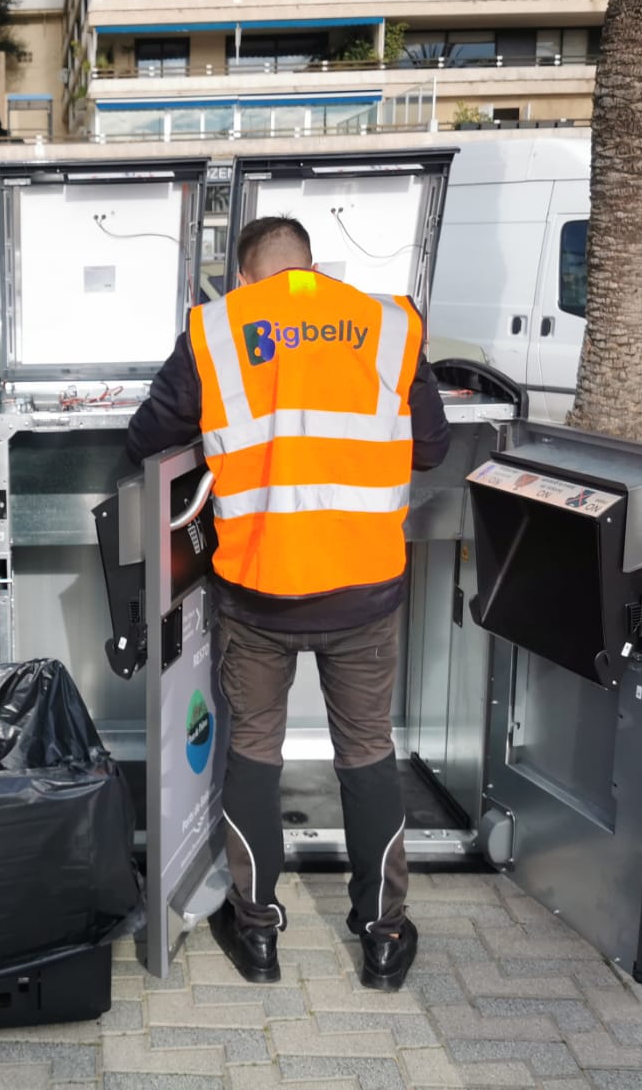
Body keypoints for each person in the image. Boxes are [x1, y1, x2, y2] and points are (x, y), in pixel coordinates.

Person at [124, 215, 450, 992]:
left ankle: (259, 928)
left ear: (244, 277)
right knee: (368, 753)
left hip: (258, 591)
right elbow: (431, 445)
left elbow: (146, 440)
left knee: (254, 753)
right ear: (313, 267)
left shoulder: (215, 329)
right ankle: (381, 933)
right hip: (366, 590)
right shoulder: (390, 325)